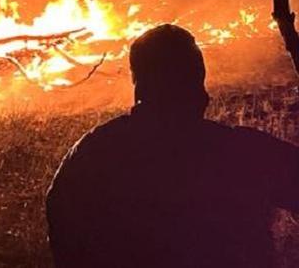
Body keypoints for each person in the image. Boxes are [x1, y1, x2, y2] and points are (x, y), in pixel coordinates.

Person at [46, 23, 299, 268]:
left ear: (138, 84)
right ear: (197, 85)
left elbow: (63, 229)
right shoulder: (241, 154)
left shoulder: (92, 154)